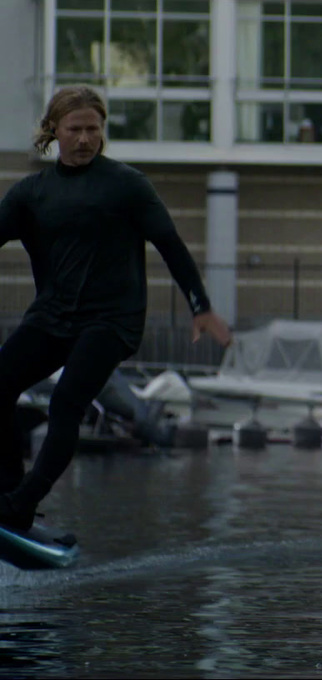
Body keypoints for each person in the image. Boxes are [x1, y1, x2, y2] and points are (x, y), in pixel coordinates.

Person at [0, 85, 231, 532]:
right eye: (75, 129)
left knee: (68, 401)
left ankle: (24, 500)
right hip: (52, 316)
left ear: (103, 131)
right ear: (54, 131)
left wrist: (200, 305)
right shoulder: (32, 193)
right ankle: (8, 491)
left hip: (111, 320)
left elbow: (171, 245)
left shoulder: (126, 185)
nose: (85, 138)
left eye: (93, 129)